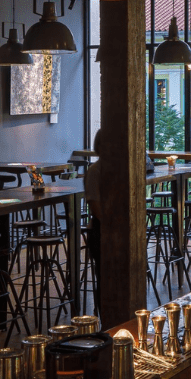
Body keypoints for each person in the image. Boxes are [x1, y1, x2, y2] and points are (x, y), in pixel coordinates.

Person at [84, 129, 103, 303]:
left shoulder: (98, 170)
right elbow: (94, 203)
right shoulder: (96, 171)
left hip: (103, 227)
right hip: (101, 230)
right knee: (105, 279)